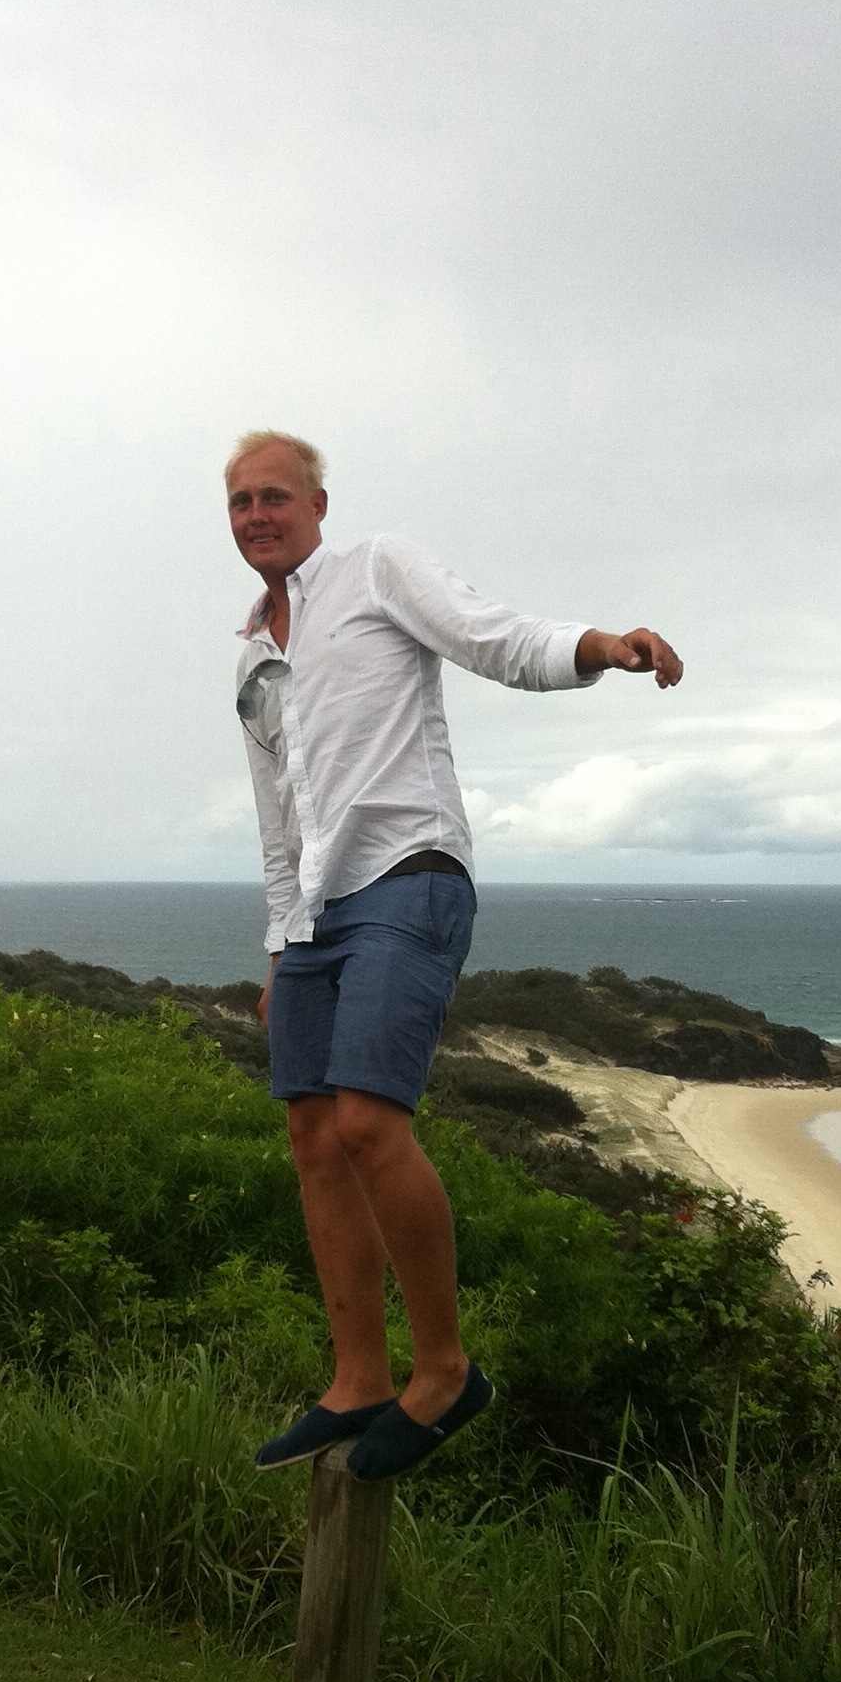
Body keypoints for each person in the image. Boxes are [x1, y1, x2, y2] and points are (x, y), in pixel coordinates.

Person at [225, 430, 685, 1481]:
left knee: (366, 1120)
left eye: (275, 497)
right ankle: (357, 1379)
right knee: (312, 1134)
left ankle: (444, 1370)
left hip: (409, 870)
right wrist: (280, 944)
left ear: (317, 505)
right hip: (315, 911)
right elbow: (277, 812)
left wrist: (599, 646)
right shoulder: (251, 654)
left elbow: (493, 636)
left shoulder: (377, 568)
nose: (258, 516)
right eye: (242, 502)